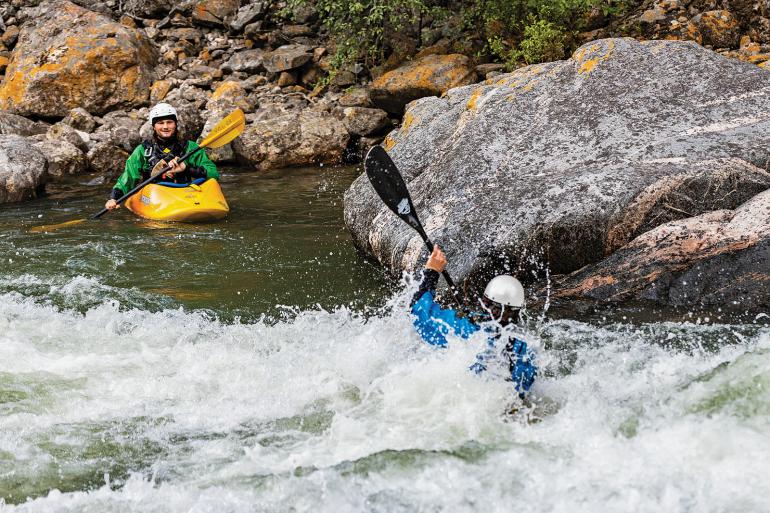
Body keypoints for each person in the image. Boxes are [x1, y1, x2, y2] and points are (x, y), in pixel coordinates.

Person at [410, 245, 537, 398]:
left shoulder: (463, 332)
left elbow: (419, 311)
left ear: (486, 303)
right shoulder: (525, 353)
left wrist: (431, 272)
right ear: (516, 313)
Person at [104, 103, 220, 210]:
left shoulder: (190, 147)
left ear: (175, 124)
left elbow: (213, 174)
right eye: (160, 123)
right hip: (156, 195)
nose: (165, 126)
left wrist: (187, 169)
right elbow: (129, 177)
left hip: (185, 192)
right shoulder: (143, 150)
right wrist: (114, 197)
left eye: (169, 122)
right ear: (154, 126)